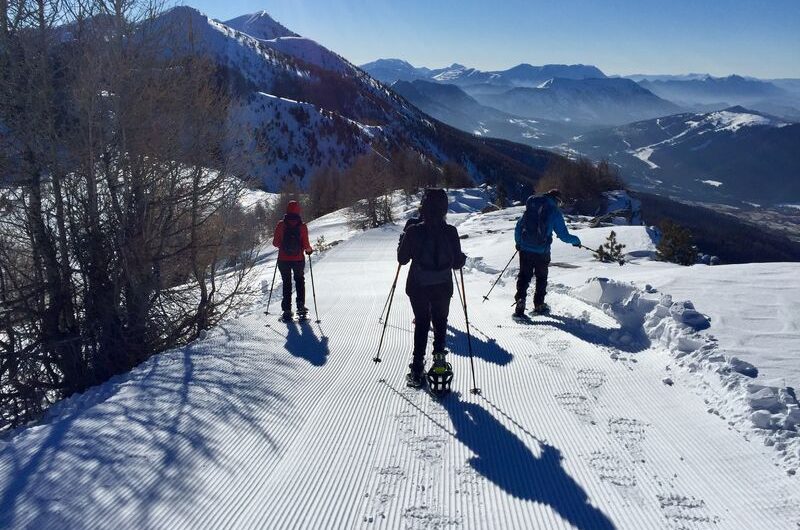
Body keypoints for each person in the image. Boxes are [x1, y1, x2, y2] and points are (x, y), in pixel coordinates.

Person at [398, 189, 467, 388]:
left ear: (423, 207)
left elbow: (402, 259)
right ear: (444, 209)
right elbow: (456, 264)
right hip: (443, 285)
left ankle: (417, 369)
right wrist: (460, 259)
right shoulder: (451, 231)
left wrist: (402, 240)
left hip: (418, 285)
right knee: (440, 322)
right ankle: (438, 362)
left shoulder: (413, 230)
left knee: (421, 323)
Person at [514, 189, 581, 317]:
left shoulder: (532, 206)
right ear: (557, 200)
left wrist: (518, 242)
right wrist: (576, 241)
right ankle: (539, 305)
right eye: (559, 202)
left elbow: (519, 226)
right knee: (541, 278)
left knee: (524, 276)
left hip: (525, 249)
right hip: (542, 252)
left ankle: (520, 301)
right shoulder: (554, 212)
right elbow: (563, 235)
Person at [272, 200, 313, 320]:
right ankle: (300, 307)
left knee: (287, 283)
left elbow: (275, 243)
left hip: (283, 260)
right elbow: (306, 245)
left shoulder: (281, 225)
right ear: (298, 211)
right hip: (298, 259)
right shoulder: (302, 226)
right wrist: (309, 250)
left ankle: (287, 310)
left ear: (287, 210)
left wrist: (283, 246)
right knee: (299, 281)